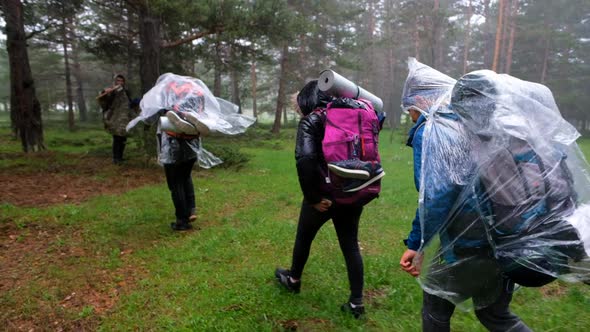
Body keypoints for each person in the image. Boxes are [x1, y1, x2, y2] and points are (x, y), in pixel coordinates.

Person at [398, 59, 532, 332]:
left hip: (469, 240)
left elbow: (436, 195)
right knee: (495, 315)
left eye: (409, 107)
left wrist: (417, 244)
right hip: (508, 234)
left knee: (435, 307)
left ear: (422, 100)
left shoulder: (435, 130)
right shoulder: (483, 124)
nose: (410, 114)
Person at [274, 80, 367, 319]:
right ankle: (357, 302)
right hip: (353, 190)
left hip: (324, 195)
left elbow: (305, 160)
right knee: (350, 245)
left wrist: (313, 197)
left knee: (304, 237)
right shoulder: (354, 113)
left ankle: (293, 279)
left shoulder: (312, 120)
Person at [97, 74, 136, 164]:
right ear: (115, 81)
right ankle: (116, 158)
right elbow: (103, 101)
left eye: (122, 81)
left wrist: (134, 104)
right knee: (117, 137)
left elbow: (129, 103)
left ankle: (120, 157)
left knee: (123, 138)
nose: (120, 83)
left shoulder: (126, 91)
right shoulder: (111, 91)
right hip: (115, 118)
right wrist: (104, 92)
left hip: (125, 118)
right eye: (118, 81)